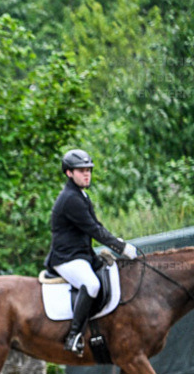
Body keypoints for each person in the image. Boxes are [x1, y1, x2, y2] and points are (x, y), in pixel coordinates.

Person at [44, 149, 138, 356]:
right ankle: (74, 336)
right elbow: (94, 230)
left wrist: (115, 243)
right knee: (92, 284)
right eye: (81, 171)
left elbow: (96, 225)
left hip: (82, 255)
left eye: (88, 170)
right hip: (66, 258)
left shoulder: (81, 194)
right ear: (69, 173)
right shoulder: (70, 199)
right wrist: (121, 248)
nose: (87, 174)